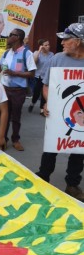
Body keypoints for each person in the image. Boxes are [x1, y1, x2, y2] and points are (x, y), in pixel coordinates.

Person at [36, 23, 84, 201]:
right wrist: (48, 102)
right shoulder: (57, 59)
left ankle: (72, 184)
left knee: (79, 150)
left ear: (78, 42)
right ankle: (43, 178)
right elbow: (46, 85)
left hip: (81, 117)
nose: (62, 42)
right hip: (58, 113)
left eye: (66, 39)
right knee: (51, 147)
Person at [0, 28, 36, 151]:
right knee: (3, 115)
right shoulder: (6, 53)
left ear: (17, 37)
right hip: (4, 88)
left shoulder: (26, 53)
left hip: (19, 90)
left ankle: (15, 140)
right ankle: (3, 139)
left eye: (10, 35)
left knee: (16, 116)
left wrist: (15, 73)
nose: (8, 37)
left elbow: (32, 73)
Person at [28, 39, 54, 115]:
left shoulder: (51, 54)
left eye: (48, 45)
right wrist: (39, 51)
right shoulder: (36, 53)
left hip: (46, 76)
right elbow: (34, 62)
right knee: (36, 92)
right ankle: (32, 103)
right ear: (41, 46)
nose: (48, 46)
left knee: (44, 93)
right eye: (46, 45)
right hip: (38, 76)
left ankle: (42, 109)